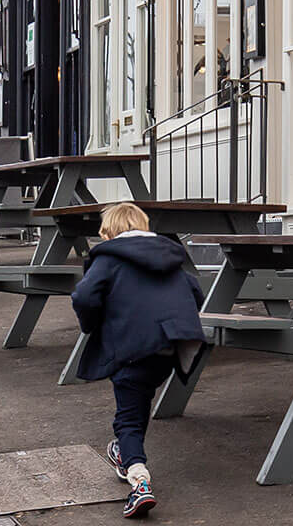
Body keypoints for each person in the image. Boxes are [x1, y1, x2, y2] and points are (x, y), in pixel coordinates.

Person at [71, 203, 205, 520]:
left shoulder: (109, 258)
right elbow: (195, 292)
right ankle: (124, 451)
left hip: (130, 346)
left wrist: (94, 322)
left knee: (128, 418)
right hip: (169, 347)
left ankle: (139, 479)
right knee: (139, 401)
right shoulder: (171, 254)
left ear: (108, 232)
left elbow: (84, 297)